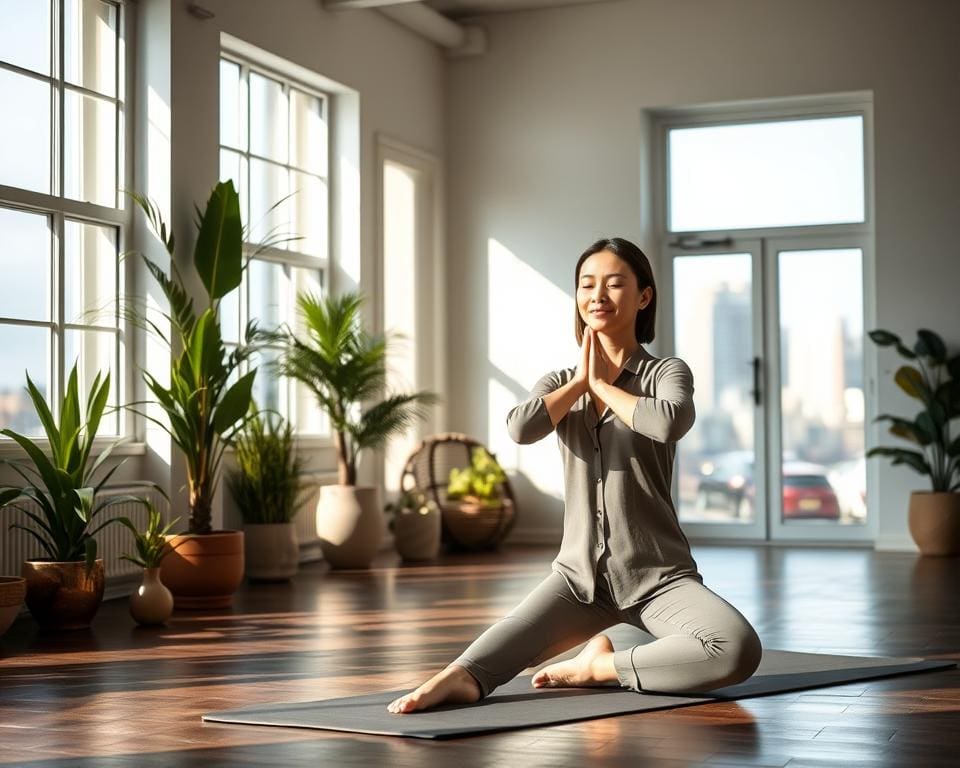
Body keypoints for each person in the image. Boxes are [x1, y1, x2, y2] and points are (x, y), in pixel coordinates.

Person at [387, 237, 762, 715]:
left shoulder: (666, 372)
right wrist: (582, 385)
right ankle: (454, 678)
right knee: (476, 668)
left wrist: (604, 384)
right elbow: (520, 428)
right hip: (577, 581)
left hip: (659, 577)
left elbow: (669, 422)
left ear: (643, 296)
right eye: (587, 284)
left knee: (735, 647)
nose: (598, 295)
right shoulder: (560, 384)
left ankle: (600, 667)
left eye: (614, 283)